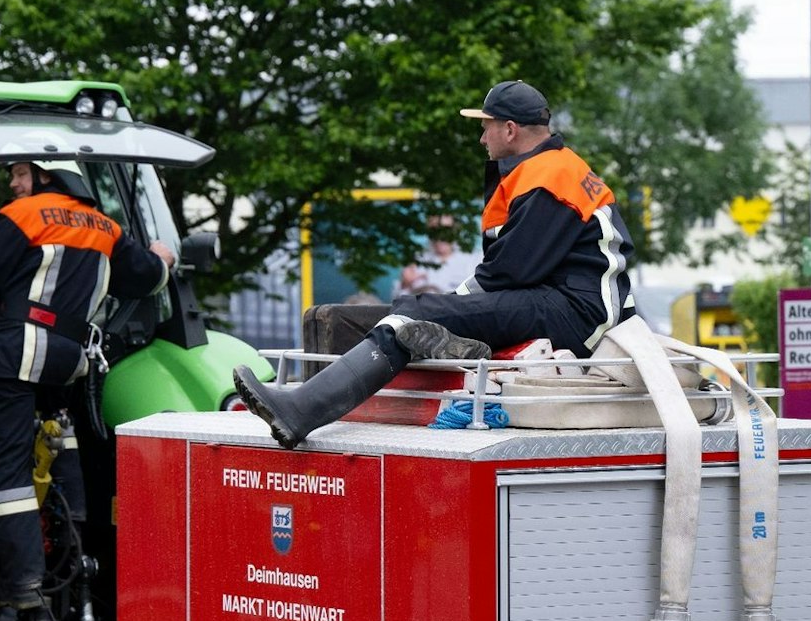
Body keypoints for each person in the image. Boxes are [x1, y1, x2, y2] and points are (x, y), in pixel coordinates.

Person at [234, 79, 635, 449]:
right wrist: (454, 308)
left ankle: (300, 410)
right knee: (420, 313)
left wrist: (449, 307)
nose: (482, 137)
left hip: (574, 312)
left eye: (487, 126)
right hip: (569, 303)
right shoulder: (553, 168)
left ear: (510, 129)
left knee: (417, 314)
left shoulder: (548, 177)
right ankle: (307, 403)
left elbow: (509, 272)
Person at [0, 158, 175, 621]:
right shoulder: (106, 227)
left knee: (7, 478)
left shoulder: (24, 215)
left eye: (19, 173)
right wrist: (162, 258)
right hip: (68, 359)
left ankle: (23, 594)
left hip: (16, 353)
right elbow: (144, 278)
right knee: (61, 446)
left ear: (48, 175)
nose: (13, 183)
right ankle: (71, 560)